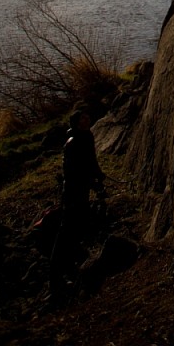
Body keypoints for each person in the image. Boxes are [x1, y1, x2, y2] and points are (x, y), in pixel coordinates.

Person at [49, 108, 104, 296]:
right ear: (76, 123)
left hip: (81, 190)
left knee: (77, 227)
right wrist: (91, 180)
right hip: (73, 192)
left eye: (87, 116)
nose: (87, 120)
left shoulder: (87, 137)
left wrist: (98, 176)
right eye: (82, 118)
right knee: (67, 230)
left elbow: (91, 161)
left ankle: (71, 266)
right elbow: (72, 172)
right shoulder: (73, 143)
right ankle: (56, 275)